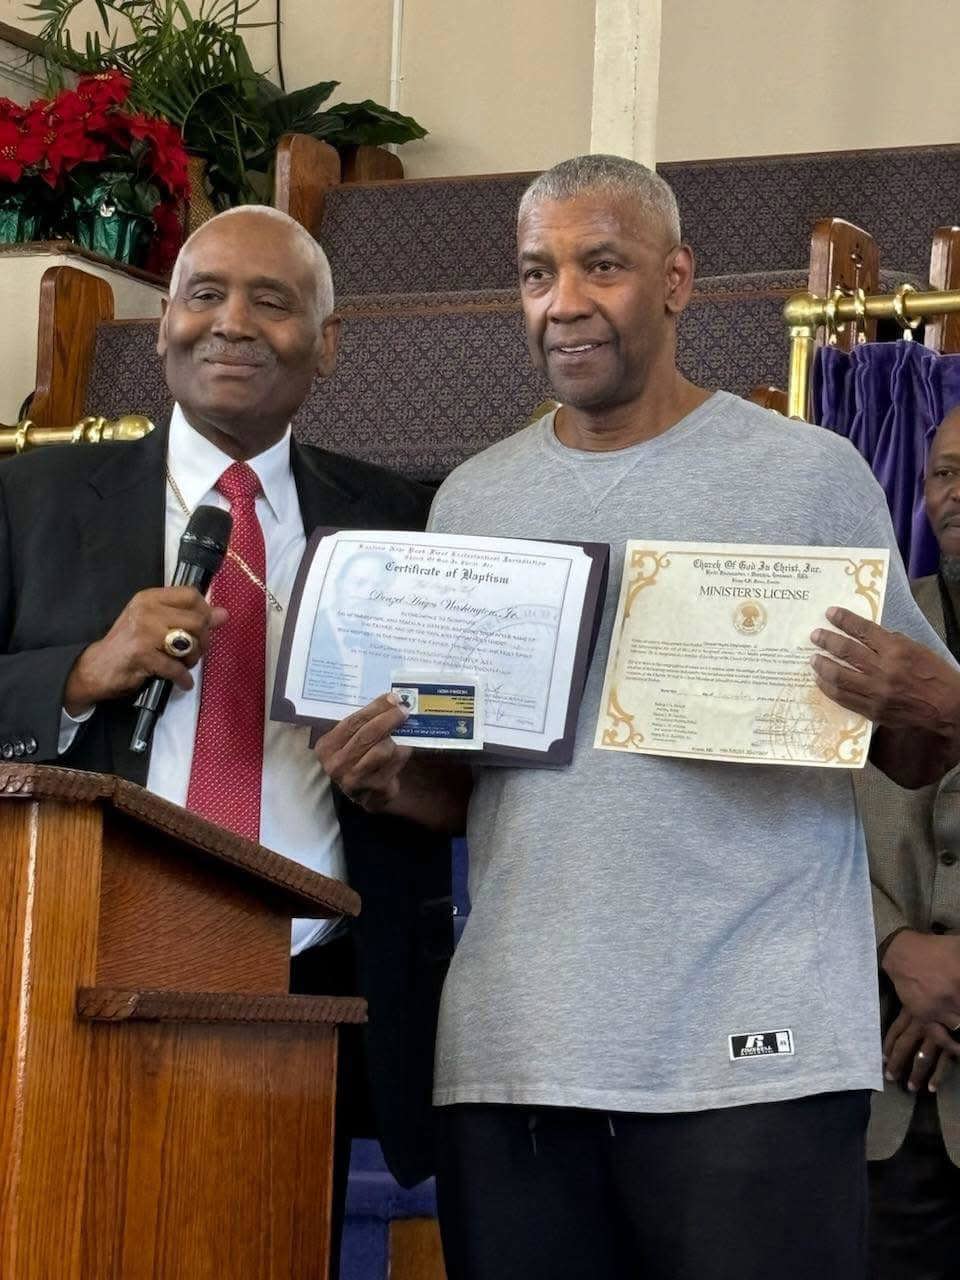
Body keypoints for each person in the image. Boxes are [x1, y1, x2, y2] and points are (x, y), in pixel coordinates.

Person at [316, 156, 960, 1280]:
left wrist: (932, 695)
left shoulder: (810, 473)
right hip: (518, 1056)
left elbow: (912, 749)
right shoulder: (472, 497)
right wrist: (391, 779)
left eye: (599, 264)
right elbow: (476, 783)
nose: (563, 299)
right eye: (536, 272)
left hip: (756, 1056)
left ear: (675, 279)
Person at [0, 206, 452, 1269]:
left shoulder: (406, 519)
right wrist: (77, 673)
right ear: (162, 330)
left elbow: (465, 763)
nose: (231, 323)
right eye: (204, 295)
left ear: (327, 342)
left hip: (321, 971)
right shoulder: (27, 499)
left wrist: (400, 775)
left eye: (273, 300)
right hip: (84, 957)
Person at [856, 405, 960, 1279]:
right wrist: (895, 947)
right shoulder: (872, 644)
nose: (956, 494)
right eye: (943, 474)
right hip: (891, 1096)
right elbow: (800, 822)